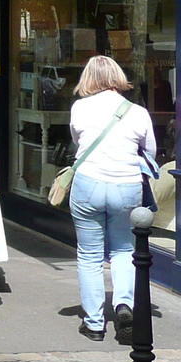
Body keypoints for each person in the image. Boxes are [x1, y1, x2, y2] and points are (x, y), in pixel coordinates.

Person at [68, 55, 156, 342]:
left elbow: (76, 140)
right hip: (127, 187)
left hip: (88, 184)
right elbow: (150, 152)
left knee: (90, 255)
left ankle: (94, 323)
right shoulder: (137, 111)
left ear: (88, 78)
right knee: (122, 250)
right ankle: (124, 306)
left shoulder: (79, 108)